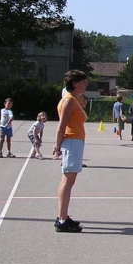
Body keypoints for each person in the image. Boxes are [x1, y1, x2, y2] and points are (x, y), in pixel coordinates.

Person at [52, 70, 88, 233]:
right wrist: (57, 146)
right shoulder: (68, 101)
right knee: (68, 181)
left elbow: (83, 104)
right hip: (72, 142)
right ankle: (62, 219)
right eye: (83, 82)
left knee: (68, 181)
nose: (86, 84)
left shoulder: (74, 99)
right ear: (75, 83)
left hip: (76, 142)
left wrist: (80, 96)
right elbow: (61, 126)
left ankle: (63, 216)